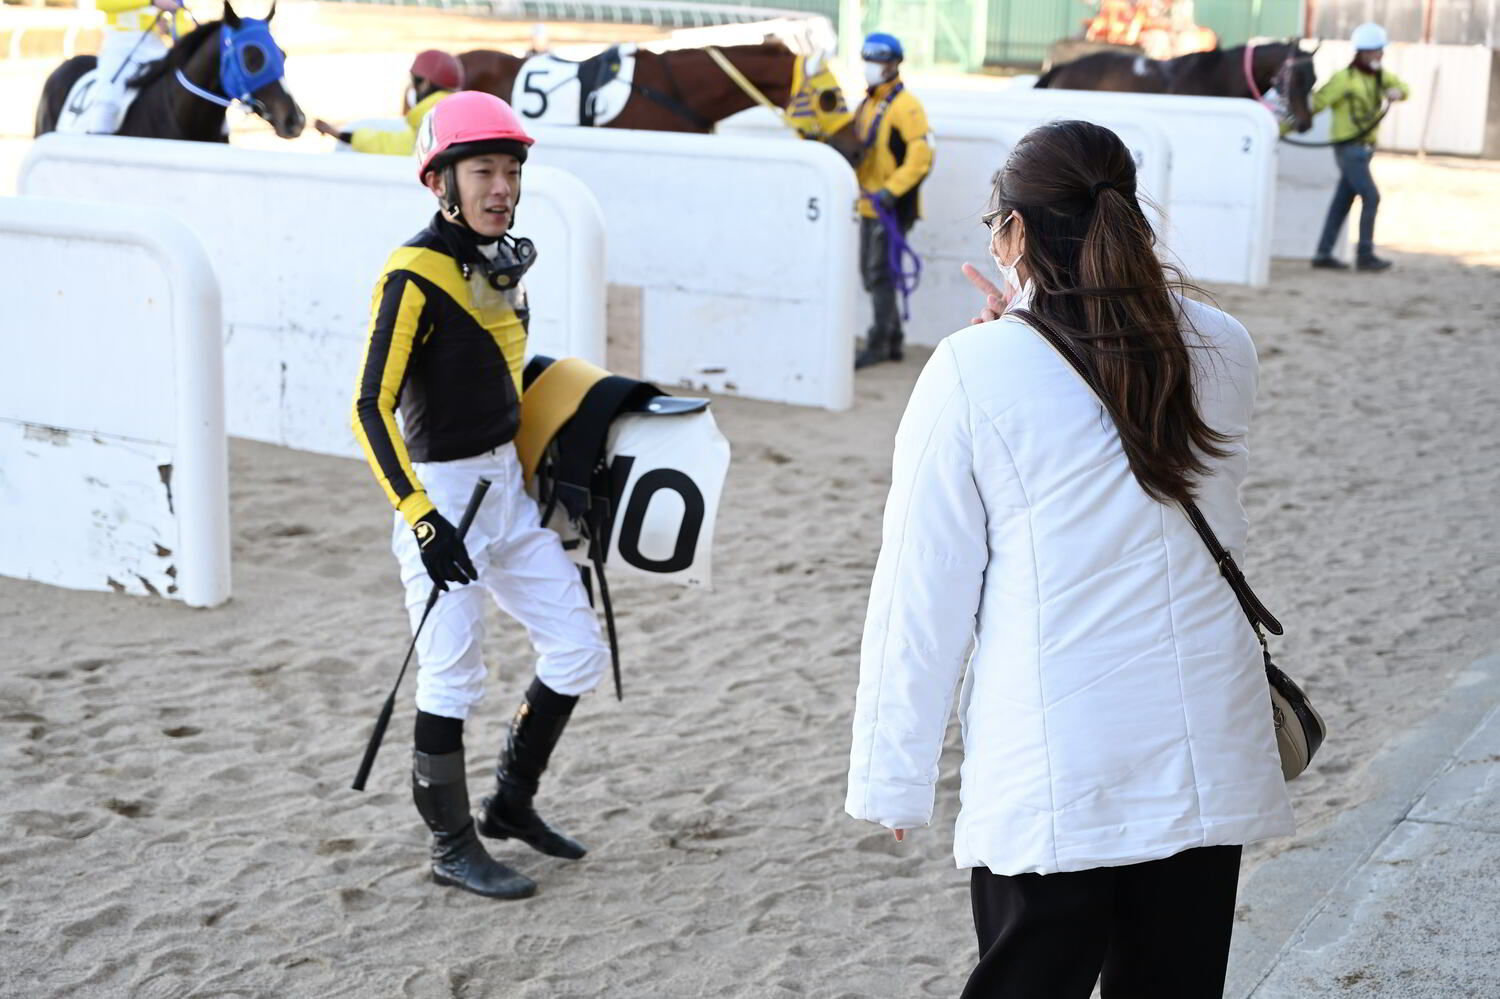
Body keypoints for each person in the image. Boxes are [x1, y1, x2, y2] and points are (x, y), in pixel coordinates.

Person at [845, 120, 1294, 997]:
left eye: (991, 223)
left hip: (1058, 762)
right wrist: (1017, 326)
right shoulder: (1224, 344)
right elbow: (1113, 390)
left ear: (1012, 232)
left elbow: (921, 591)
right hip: (1205, 737)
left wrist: (893, 778)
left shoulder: (973, 370)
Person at [351, 91, 610, 900]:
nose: (502, 187)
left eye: (512, 170)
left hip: (507, 488)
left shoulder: (507, 264)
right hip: (445, 499)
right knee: (452, 678)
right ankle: (450, 846)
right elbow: (369, 406)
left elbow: (507, 378)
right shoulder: (412, 274)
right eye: (483, 171)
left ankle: (509, 802)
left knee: (577, 648)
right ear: (442, 182)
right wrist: (421, 518)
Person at [852, 32, 933, 369]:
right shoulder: (868, 103)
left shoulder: (907, 106)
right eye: (868, 60)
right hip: (869, 204)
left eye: (880, 61)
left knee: (879, 273)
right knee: (875, 273)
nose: (872, 67)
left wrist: (891, 190)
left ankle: (880, 341)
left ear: (894, 64)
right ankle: (893, 337)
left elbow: (921, 157)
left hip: (892, 207)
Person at [1309, 22, 1409, 272]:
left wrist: (1398, 92)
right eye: (1378, 51)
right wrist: (1280, 127)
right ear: (1364, 52)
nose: (1381, 56)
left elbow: (1405, 89)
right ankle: (1365, 254)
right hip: (1349, 149)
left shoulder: (1380, 77)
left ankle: (1323, 253)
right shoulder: (1343, 79)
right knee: (1371, 196)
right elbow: (1317, 103)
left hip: (1365, 150)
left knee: (1342, 201)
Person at [315, 50, 465, 155]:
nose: (412, 88)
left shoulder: (432, 120)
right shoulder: (452, 112)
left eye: (413, 82)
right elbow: (392, 143)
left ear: (425, 83)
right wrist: (341, 135)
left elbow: (398, 148)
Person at [83, 0, 191, 134]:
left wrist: (169, 28)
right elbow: (102, 4)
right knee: (107, 99)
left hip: (157, 49)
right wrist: (151, 2)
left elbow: (183, 25)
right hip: (120, 46)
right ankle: (97, 140)